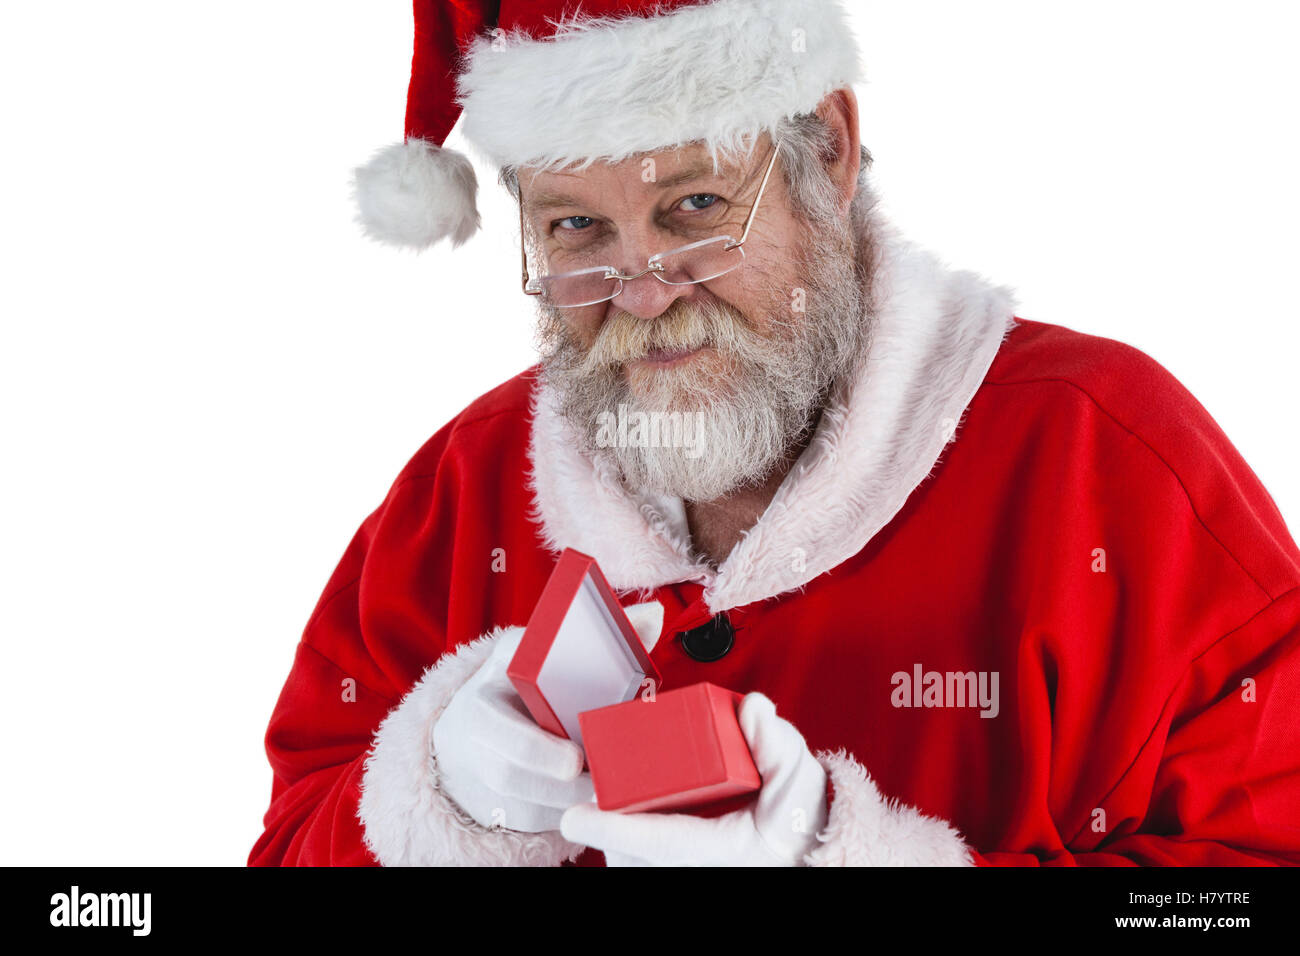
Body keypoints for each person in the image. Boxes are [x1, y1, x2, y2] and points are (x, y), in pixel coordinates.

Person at [248, 0, 1300, 866]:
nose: (643, 294)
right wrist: (435, 800)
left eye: (693, 205)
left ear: (830, 154)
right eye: (577, 226)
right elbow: (291, 841)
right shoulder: (461, 490)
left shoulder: (1107, 459)